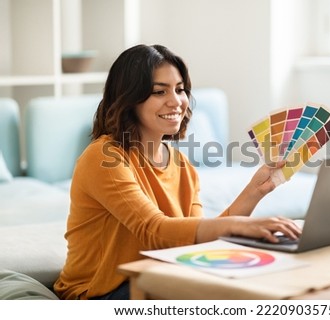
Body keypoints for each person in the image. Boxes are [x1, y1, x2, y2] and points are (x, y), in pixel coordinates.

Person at [53, 44, 301, 300]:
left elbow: (200, 239)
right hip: (99, 292)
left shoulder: (182, 164)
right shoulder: (104, 157)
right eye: (159, 92)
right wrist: (242, 225)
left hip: (158, 274)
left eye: (180, 90)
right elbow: (154, 229)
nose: (176, 101)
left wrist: (254, 191)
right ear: (129, 99)